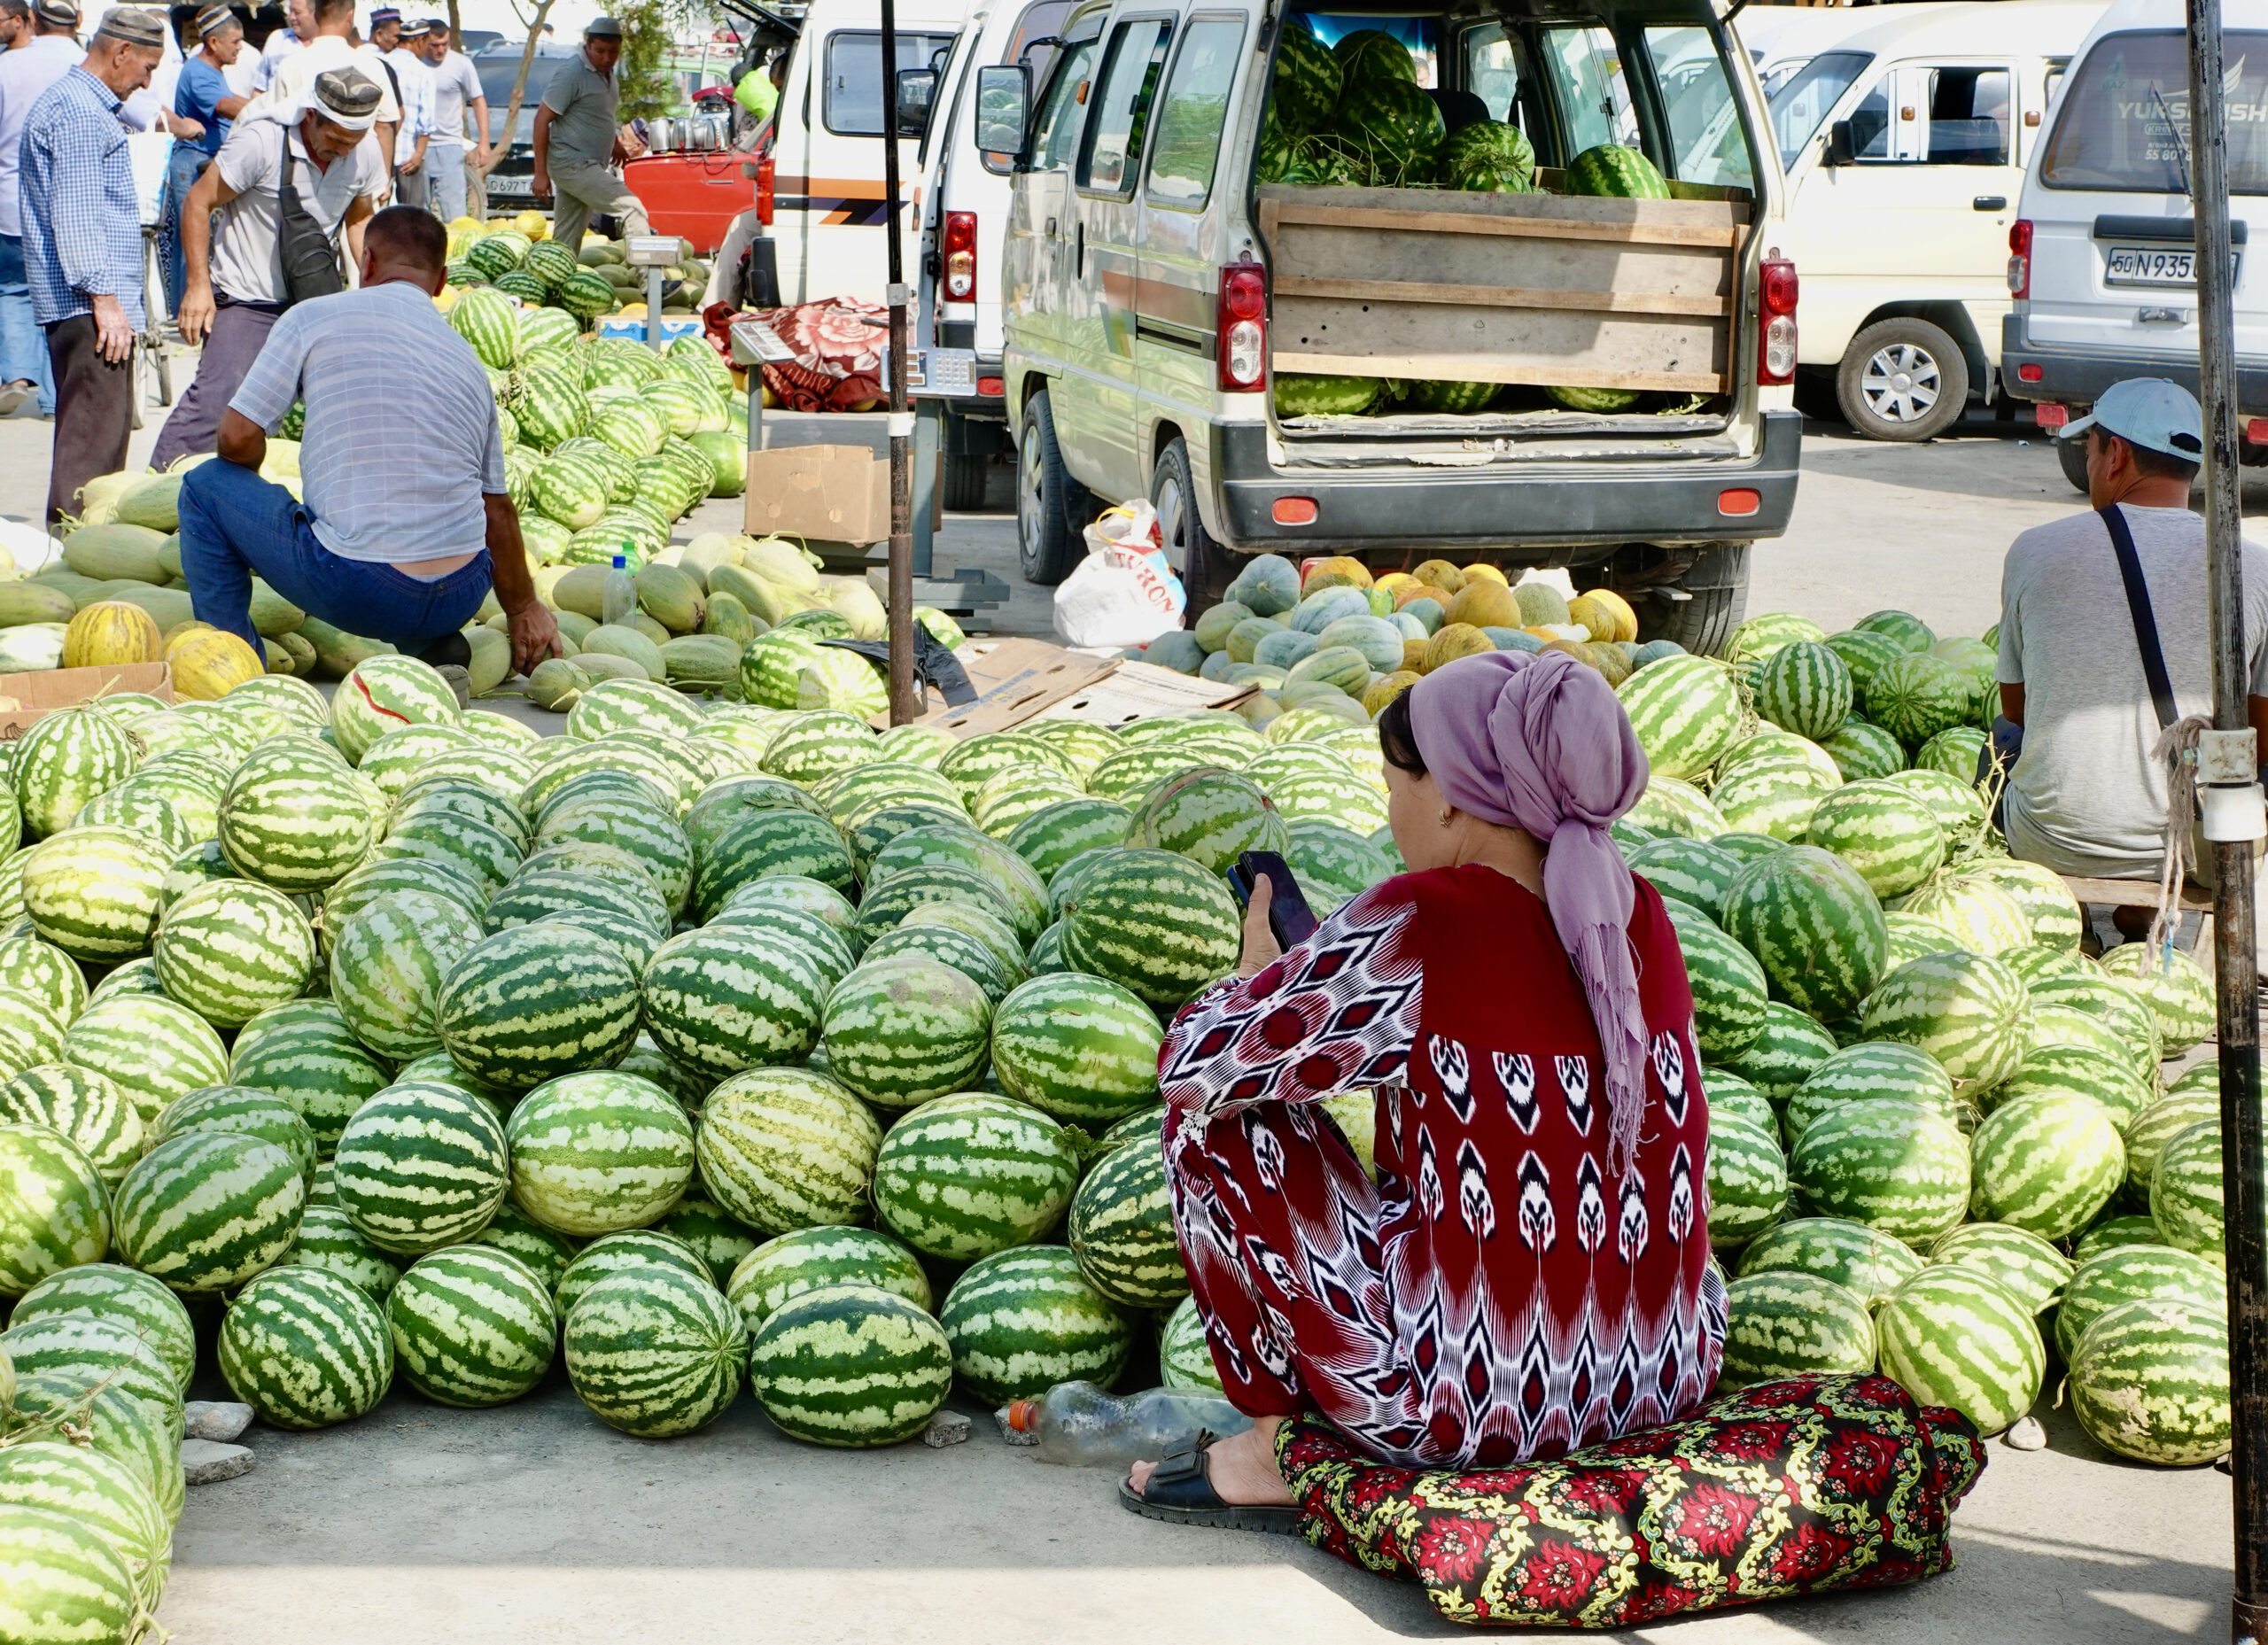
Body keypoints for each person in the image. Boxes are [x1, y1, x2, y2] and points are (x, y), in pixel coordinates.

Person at [1122, 648, 1723, 1528]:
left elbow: (1196, 1066)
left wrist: (1254, 977)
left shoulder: (1425, 918)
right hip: (1664, 1380)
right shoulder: (1637, 911)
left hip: (1464, 1411)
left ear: (1447, 792)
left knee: (1210, 1124)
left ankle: (1267, 1452)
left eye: (1393, 781)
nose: (1389, 807)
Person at [176, 204, 558, 696]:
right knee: (416, 537)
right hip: (460, 594)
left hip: (360, 587)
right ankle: (432, 652)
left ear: (367, 261)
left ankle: (234, 673)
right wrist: (525, 609)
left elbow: (235, 438)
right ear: (441, 281)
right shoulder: (467, 358)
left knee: (206, 487)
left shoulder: (312, 316)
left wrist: (247, 500)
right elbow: (497, 510)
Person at [1995, 376, 2268, 892]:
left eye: (2091, 449)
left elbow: (2017, 708)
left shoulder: (2034, 549)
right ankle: (2143, 910)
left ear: (2115, 454)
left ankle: (2073, 917)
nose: (2092, 464)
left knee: (1999, 737)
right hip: (2203, 847)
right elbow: (2259, 736)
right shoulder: (2251, 568)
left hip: (2049, 839)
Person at [151, 64, 382, 468]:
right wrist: (198, 286)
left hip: (312, 302)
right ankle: (156, 494)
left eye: (354, 139)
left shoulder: (364, 151)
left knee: (331, 409)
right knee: (217, 403)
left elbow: (360, 219)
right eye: (336, 138)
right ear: (311, 115)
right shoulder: (261, 140)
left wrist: (373, 295)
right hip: (246, 300)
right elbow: (198, 202)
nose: (345, 149)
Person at [20, 6, 163, 525]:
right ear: (121, 52)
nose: (146, 83)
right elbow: (78, 217)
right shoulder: (81, 112)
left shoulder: (77, 102)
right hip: (89, 305)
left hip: (84, 303)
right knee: (93, 447)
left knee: (94, 435)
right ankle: (74, 552)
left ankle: (78, 546)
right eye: (147, 68)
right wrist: (106, 300)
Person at [0, 0, 84, 420]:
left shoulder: (6, 67)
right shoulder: (88, 63)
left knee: (13, 290)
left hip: (10, 201)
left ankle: (16, 375)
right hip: (72, 203)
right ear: (80, 21)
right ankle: (55, 400)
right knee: (64, 296)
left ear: (32, 19)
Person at [237, 0, 394, 179]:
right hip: (356, 176)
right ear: (350, 16)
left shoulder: (291, 65)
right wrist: (383, 177)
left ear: (316, 16)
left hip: (297, 176)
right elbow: (384, 126)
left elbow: (277, 124)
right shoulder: (371, 66)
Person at [532, 14, 648, 252]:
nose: (606, 58)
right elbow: (541, 120)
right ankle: (651, 282)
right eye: (600, 51)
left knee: (565, 242)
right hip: (572, 165)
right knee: (632, 208)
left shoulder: (608, 74)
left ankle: (554, 284)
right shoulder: (572, 73)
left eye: (613, 51)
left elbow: (600, 114)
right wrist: (540, 173)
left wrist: (614, 142)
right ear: (588, 45)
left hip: (588, 165)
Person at [160, 4, 245, 313]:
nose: (240, 48)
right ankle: (185, 310)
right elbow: (225, 106)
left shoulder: (212, 72)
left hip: (205, 160)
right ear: (214, 43)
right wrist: (265, 111)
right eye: (235, 41)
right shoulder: (199, 72)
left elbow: (234, 100)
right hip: (192, 162)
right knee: (191, 241)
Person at [416, 14, 484, 221]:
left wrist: (484, 143)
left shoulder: (461, 64)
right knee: (418, 213)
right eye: (435, 45)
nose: (440, 49)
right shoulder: (416, 63)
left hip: (450, 145)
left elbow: (478, 100)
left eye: (445, 44)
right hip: (419, 147)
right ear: (425, 41)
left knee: (454, 216)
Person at [371, 5, 430, 206]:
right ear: (419, 41)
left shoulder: (379, 63)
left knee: (378, 214)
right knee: (412, 218)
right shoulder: (423, 72)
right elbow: (426, 121)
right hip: (409, 158)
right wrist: (419, 154)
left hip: (379, 155)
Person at [249, 0, 307, 91]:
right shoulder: (277, 39)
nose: (291, 17)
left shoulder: (329, 44)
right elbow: (259, 90)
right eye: (290, 11)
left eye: (297, 12)